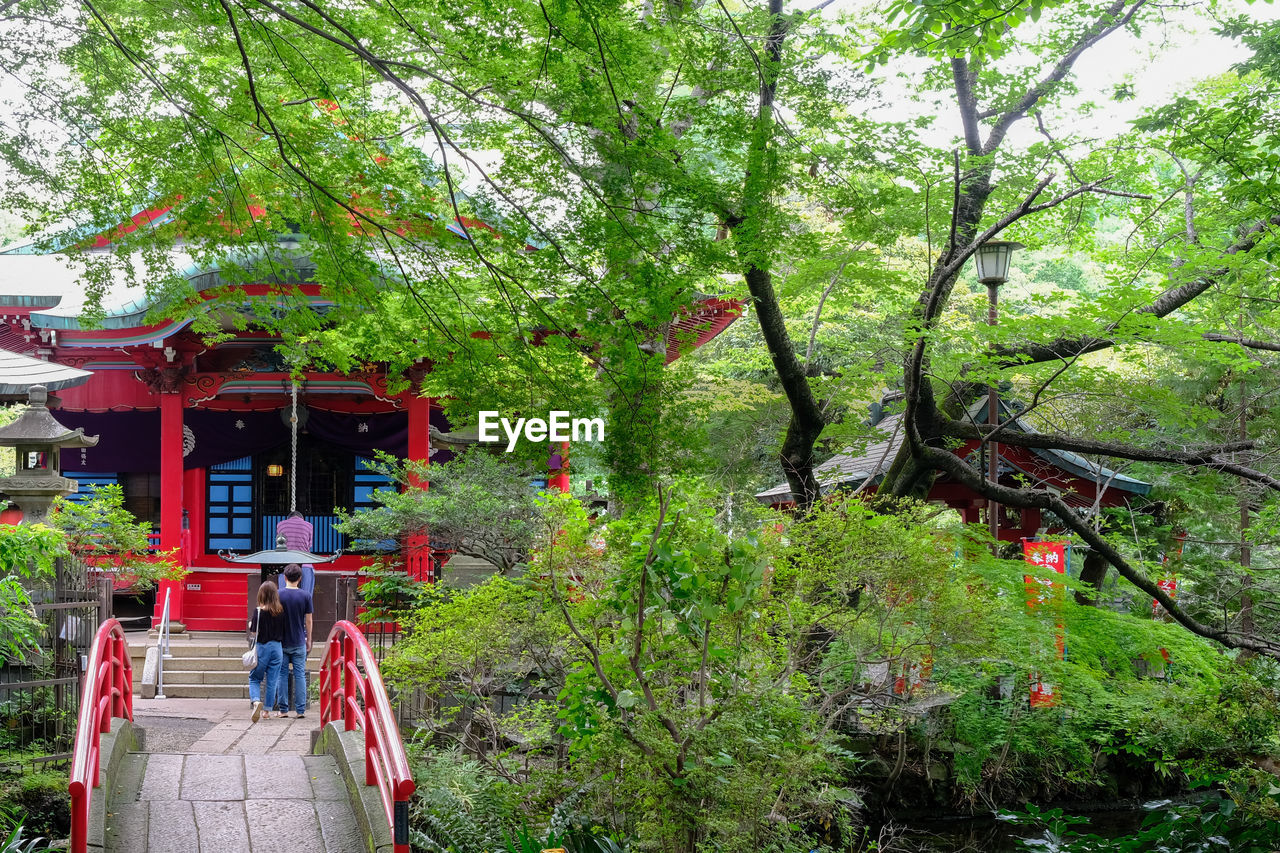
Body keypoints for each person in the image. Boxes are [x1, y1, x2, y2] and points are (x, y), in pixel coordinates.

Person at [275, 563, 313, 718]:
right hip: (299, 641)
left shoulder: (278, 595)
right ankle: (300, 710)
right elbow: (309, 621)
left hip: (281, 641)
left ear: (284, 577)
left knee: (281, 675)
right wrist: (309, 639)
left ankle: (283, 710)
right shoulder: (305, 596)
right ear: (300, 578)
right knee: (300, 675)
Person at [247, 581, 285, 722]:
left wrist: (252, 624)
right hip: (277, 648)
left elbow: (253, 631)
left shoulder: (258, 611)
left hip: (263, 647)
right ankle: (267, 711)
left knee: (255, 678)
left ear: (261, 594)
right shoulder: (281, 611)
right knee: (272, 680)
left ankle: (256, 701)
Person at [276, 511, 316, 595]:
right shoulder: (309, 525)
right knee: (306, 596)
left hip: (285, 565)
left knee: (283, 597)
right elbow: (309, 546)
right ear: (302, 518)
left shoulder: (280, 525)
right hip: (305, 564)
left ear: (289, 518)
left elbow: (279, 544)